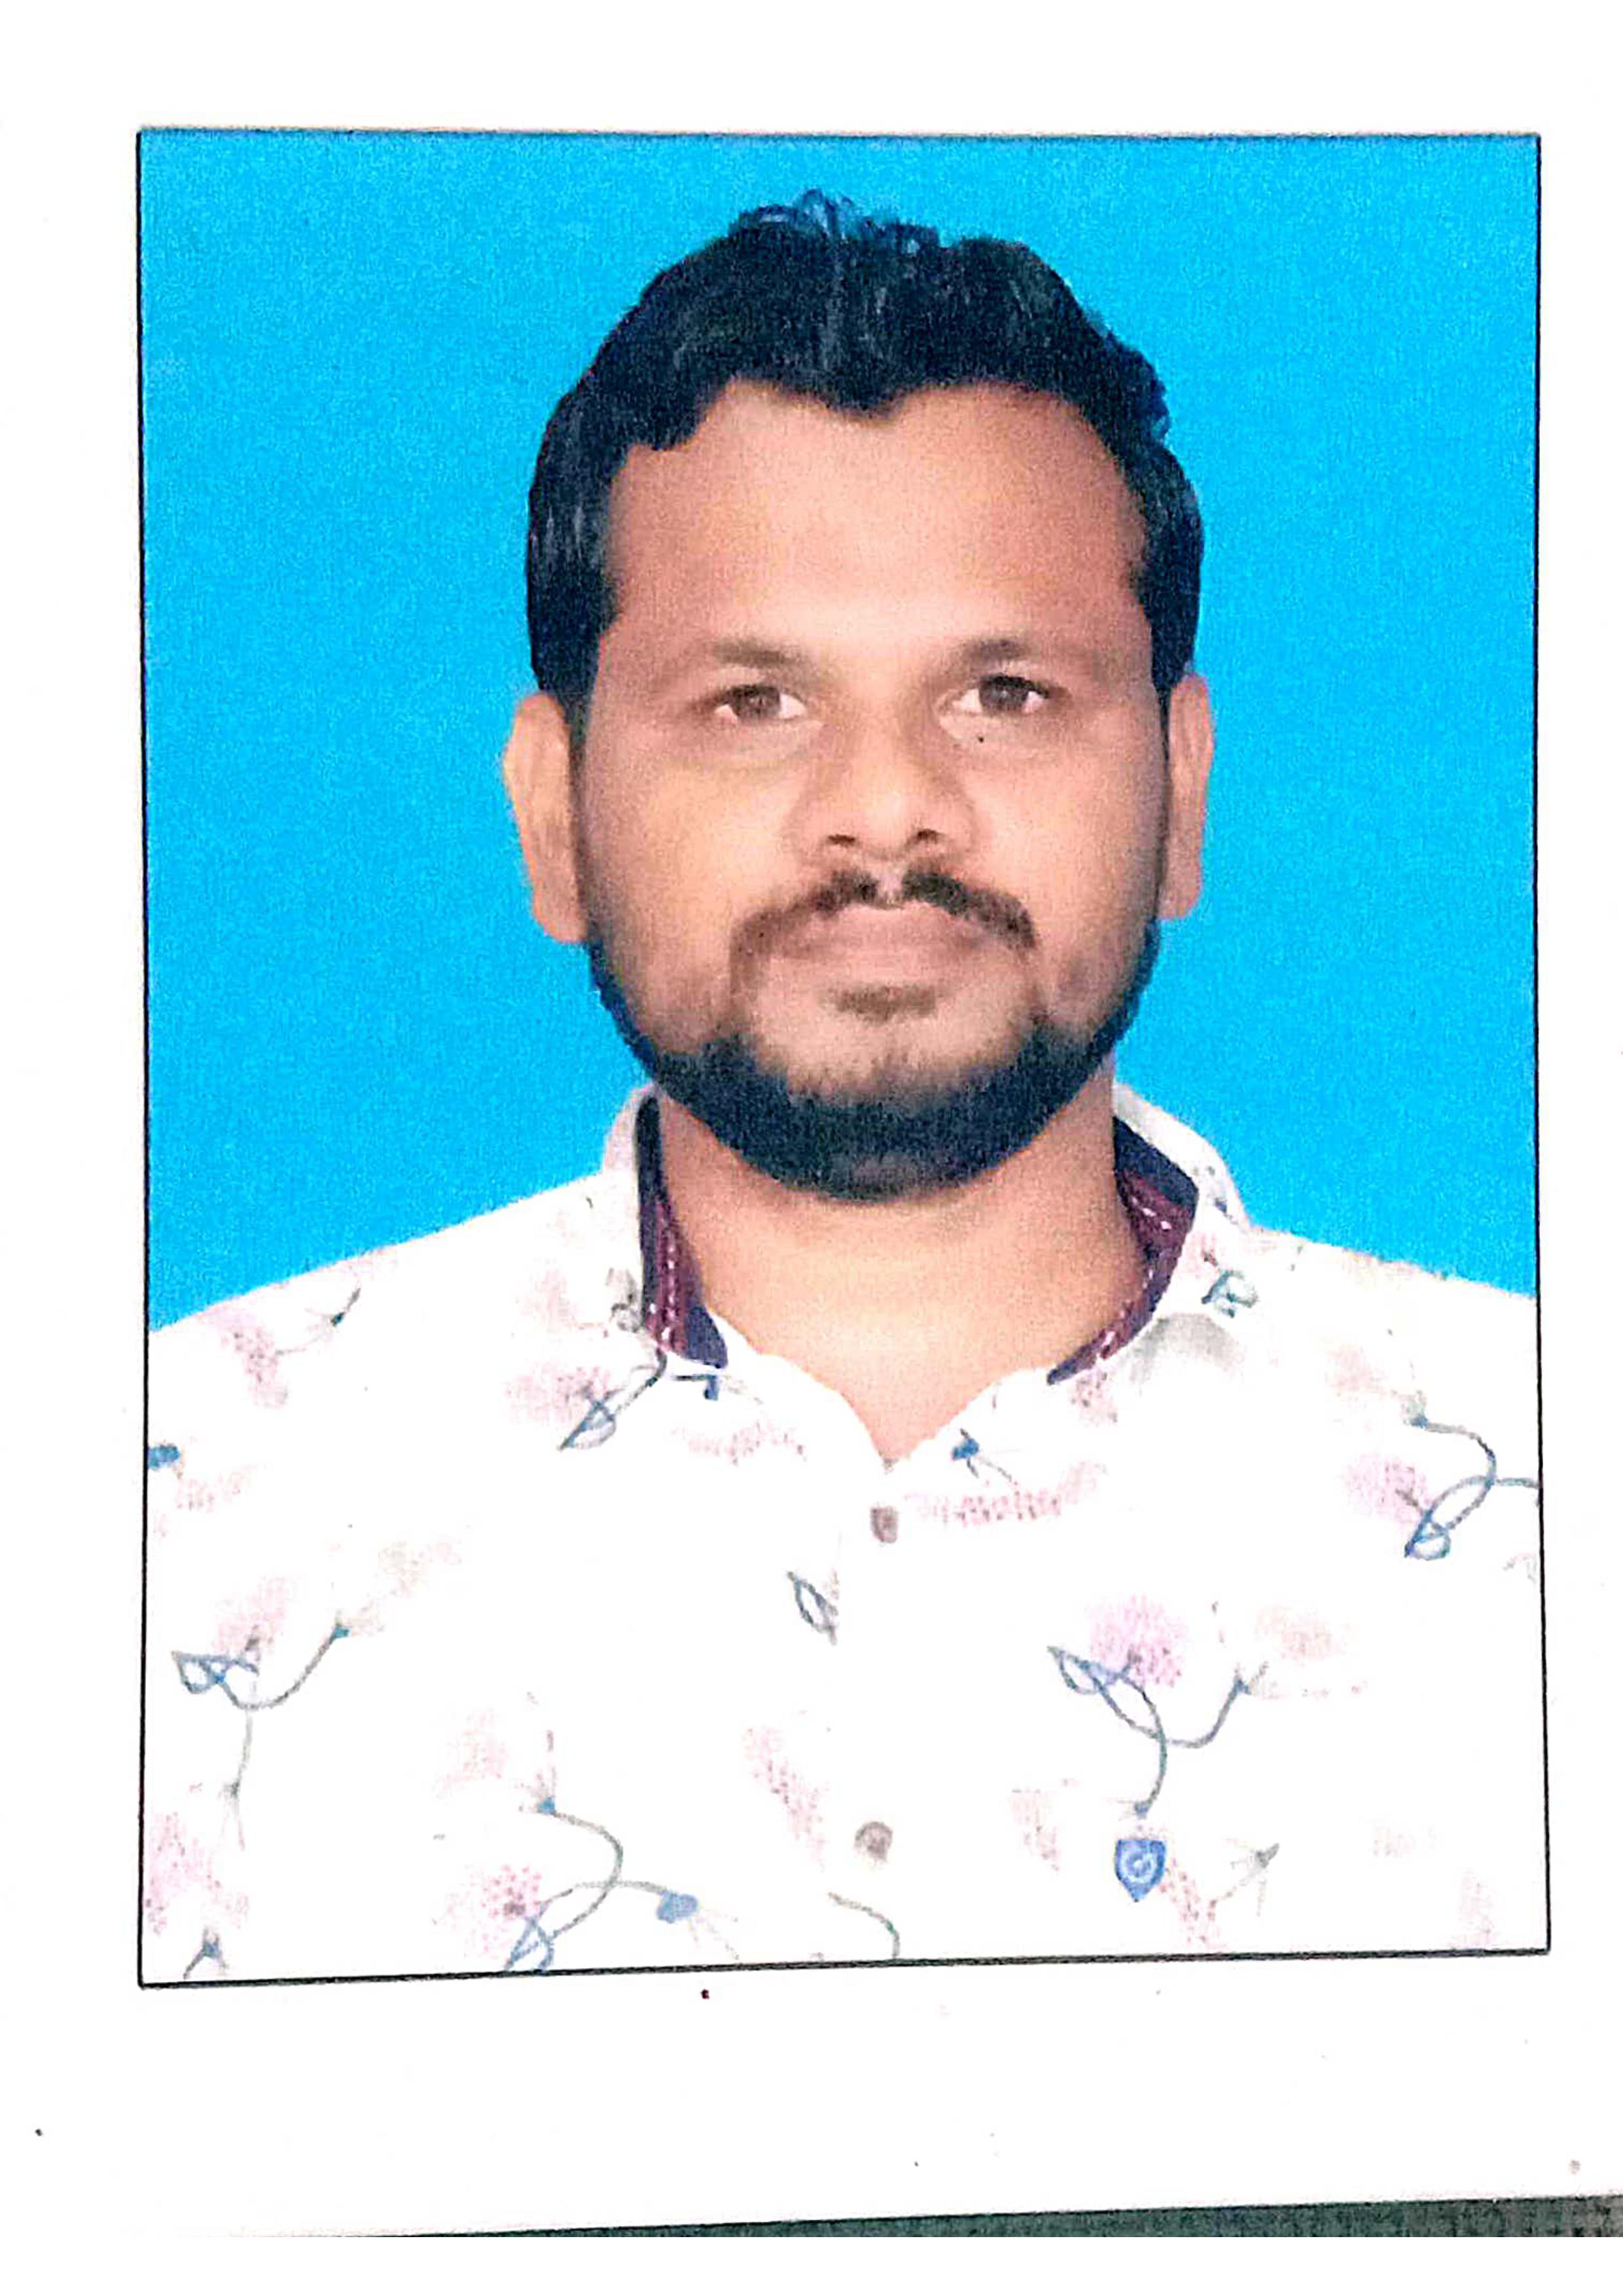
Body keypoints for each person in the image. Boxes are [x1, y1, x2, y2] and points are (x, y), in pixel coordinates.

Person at [143, 193, 1541, 1981]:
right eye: (755, 705)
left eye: (1006, 696)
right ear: (551, 810)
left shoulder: (1548, 1492)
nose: (887, 812)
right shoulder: (167, 1512)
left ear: (1182, 791)